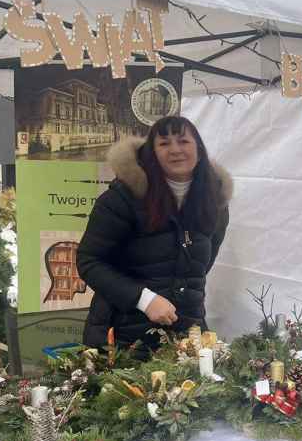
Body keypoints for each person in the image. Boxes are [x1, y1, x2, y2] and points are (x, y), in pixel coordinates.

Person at [77, 116, 233, 350]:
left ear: (199, 150)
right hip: (122, 338)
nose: (175, 150)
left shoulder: (215, 203)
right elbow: (89, 261)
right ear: (152, 153)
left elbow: (201, 266)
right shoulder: (121, 199)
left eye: (183, 141)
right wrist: (145, 299)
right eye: (164, 144)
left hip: (187, 336)